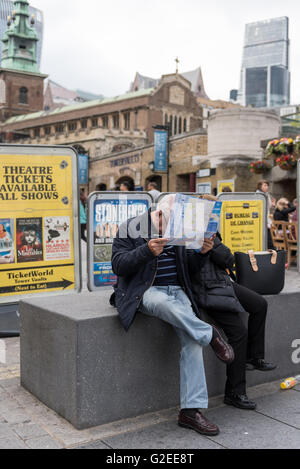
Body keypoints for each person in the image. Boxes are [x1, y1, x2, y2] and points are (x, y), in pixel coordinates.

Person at [111, 194, 234, 437]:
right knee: (164, 305)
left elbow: (189, 269)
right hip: (145, 291)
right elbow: (118, 265)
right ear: (159, 214)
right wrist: (146, 251)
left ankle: (190, 411)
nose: (174, 226)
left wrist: (201, 253)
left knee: (192, 341)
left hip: (177, 290)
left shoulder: (181, 231)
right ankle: (210, 334)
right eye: (171, 221)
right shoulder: (130, 228)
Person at [189, 227, 276, 411]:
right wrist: (203, 251)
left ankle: (253, 357)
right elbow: (189, 269)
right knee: (238, 332)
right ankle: (234, 392)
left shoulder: (210, 232)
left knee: (260, 304)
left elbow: (229, 260)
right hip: (206, 290)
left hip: (223, 283)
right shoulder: (183, 235)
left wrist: (212, 246)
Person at [256, 180, 276, 249]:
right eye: (265, 185)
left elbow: (267, 207)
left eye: (267, 185)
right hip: (261, 220)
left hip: (266, 220)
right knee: (268, 240)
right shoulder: (258, 195)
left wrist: (273, 205)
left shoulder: (267, 194)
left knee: (268, 239)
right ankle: (273, 254)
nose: (267, 187)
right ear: (260, 186)